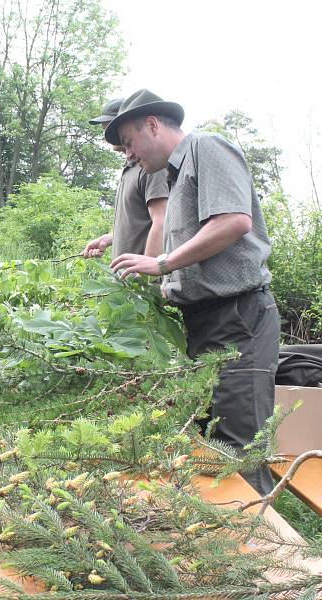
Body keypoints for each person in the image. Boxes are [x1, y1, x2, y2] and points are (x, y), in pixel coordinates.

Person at [106, 89, 280, 495]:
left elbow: (234, 222)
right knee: (206, 448)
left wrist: (162, 264)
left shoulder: (207, 147)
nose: (128, 154)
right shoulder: (174, 175)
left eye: (129, 142)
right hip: (201, 323)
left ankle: (261, 552)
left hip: (238, 321)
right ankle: (217, 548)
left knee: (239, 450)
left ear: (152, 125)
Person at [83, 98, 169, 259]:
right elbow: (140, 223)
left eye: (109, 126)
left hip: (144, 282)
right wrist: (110, 238)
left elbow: (162, 221)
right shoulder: (130, 168)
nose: (106, 134)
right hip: (127, 281)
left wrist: (145, 276)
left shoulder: (152, 166)